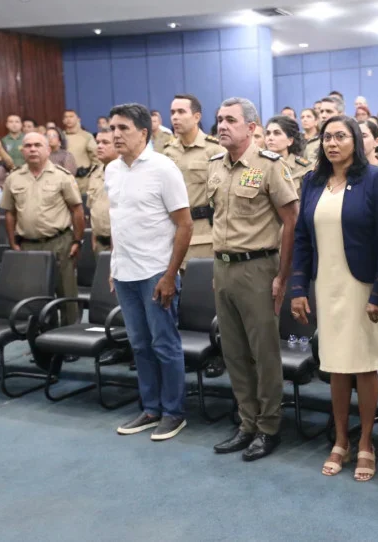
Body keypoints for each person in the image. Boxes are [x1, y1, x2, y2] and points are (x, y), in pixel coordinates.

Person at [291, 115, 378, 481]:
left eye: (341, 136)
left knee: (364, 364)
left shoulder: (376, 179)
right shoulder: (313, 182)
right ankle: (340, 440)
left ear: (356, 141)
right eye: (326, 137)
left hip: (363, 287)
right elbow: (302, 238)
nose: (332, 143)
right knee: (334, 364)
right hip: (326, 285)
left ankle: (365, 441)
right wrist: (299, 289)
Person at [208, 98, 299, 461]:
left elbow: (291, 221)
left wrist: (282, 276)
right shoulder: (215, 165)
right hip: (223, 267)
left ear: (252, 127)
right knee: (234, 352)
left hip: (258, 267)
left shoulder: (269, 166)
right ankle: (247, 423)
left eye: (230, 119)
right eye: (219, 119)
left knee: (264, 353)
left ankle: (269, 427)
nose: (223, 125)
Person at [106, 103, 192, 441]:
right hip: (125, 272)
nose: (115, 134)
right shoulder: (111, 170)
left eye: (123, 128)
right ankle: (151, 407)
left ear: (143, 133)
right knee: (139, 345)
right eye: (112, 128)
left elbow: (185, 226)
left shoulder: (163, 168)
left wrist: (170, 275)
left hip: (156, 272)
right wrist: (114, 266)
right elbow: (118, 223)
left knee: (164, 344)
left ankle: (173, 412)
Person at [0, 132, 85, 327]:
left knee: (66, 292)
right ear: (22, 150)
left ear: (48, 150)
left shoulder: (62, 176)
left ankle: (70, 338)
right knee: (35, 294)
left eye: (38, 145)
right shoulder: (14, 178)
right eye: (28, 145)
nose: (32, 149)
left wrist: (77, 240)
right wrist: (13, 242)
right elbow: (10, 213)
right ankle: (42, 339)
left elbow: (77, 209)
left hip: (60, 241)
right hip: (29, 244)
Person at [163, 94, 226, 265]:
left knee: (202, 287)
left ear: (196, 117)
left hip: (204, 233)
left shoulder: (215, 150)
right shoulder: (168, 152)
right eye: (172, 112)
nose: (175, 117)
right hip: (173, 233)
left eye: (181, 112)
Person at [86, 130, 118, 256]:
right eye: (98, 142)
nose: (99, 146)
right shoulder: (95, 174)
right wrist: (94, 239)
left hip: (121, 245)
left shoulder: (127, 172)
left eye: (105, 142)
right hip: (100, 243)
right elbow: (93, 209)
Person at [264, 115, 311, 196]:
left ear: (290, 141)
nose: (270, 138)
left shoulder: (304, 169)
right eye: (268, 133)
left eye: (277, 133)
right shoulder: (258, 164)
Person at [62, 109, 98, 189]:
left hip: (83, 180)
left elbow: (96, 158)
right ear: (63, 120)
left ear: (78, 119)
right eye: (66, 117)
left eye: (71, 116)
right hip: (64, 180)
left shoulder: (86, 136)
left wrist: (92, 176)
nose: (68, 119)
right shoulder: (60, 137)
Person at [305, 96, 343, 165]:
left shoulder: (348, 141)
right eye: (321, 111)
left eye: (329, 111)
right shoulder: (311, 145)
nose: (323, 115)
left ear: (340, 114)